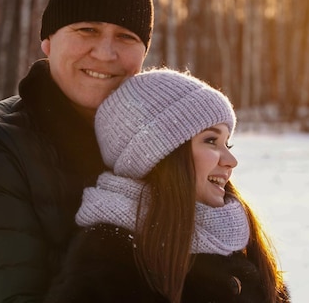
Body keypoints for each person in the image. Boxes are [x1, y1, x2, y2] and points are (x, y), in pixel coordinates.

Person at [0, 0, 153, 302]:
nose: (106, 52)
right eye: (87, 30)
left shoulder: (158, 145)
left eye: (125, 36)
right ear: (48, 41)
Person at [45, 69, 290, 303]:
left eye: (228, 144)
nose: (231, 161)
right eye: (211, 140)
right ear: (156, 156)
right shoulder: (110, 263)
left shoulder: (236, 236)